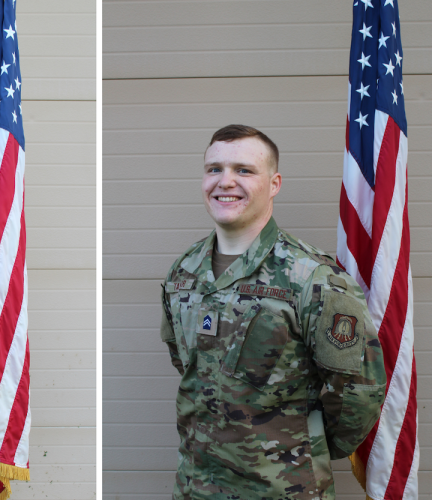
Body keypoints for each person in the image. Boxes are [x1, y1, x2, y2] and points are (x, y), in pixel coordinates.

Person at [160, 125, 386, 499]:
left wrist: (301, 447)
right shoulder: (182, 274)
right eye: (214, 169)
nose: (225, 181)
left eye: (244, 170)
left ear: (275, 183)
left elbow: (359, 391)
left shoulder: (313, 278)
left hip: (284, 489)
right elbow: (187, 365)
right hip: (196, 487)